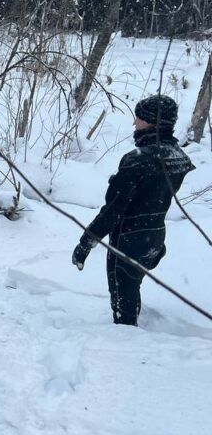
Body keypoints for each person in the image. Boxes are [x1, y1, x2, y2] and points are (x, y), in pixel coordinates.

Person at [72, 95, 195, 325]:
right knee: (132, 286)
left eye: (138, 119)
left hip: (127, 240)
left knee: (123, 306)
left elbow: (113, 211)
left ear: (151, 122)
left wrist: (85, 243)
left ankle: (127, 349)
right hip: (154, 237)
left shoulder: (138, 160)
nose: (134, 124)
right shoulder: (177, 156)